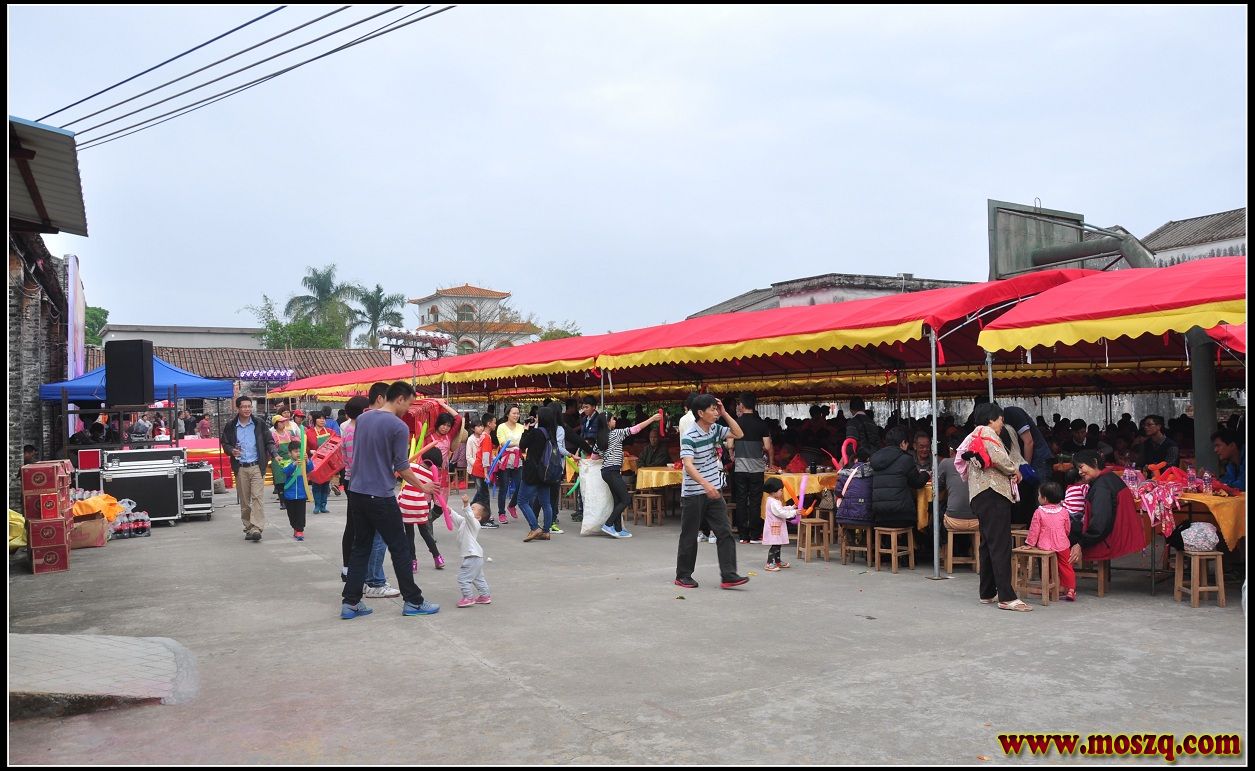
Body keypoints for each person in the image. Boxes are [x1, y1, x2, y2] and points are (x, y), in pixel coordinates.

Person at [341, 381, 439, 619]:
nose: (409, 410)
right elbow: (402, 466)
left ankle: (350, 602)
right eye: (409, 404)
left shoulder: (363, 419)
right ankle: (413, 601)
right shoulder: (398, 426)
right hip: (380, 496)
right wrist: (422, 486)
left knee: (360, 547)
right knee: (400, 547)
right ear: (399, 399)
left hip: (357, 492)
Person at [960, 401, 1031, 612]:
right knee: (1000, 544)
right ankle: (1007, 597)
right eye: (1000, 419)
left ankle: (987, 591)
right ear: (991, 419)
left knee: (988, 543)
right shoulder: (987, 432)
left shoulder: (973, 434)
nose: (1002, 424)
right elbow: (1000, 458)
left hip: (980, 495)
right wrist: (1014, 470)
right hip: (994, 493)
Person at [675, 395, 748, 590]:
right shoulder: (689, 436)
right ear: (700, 413)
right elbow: (688, 465)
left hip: (713, 491)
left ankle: (729, 575)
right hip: (693, 493)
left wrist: (725, 413)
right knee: (689, 535)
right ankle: (683, 575)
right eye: (713, 409)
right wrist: (705, 485)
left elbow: (739, 433)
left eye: (717, 409)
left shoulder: (715, 429)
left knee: (724, 531)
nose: (716, 413)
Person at [340, 387, 399, 598]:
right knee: (375, 536)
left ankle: (359, 581)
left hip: (355, 483)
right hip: (369, 486)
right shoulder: (362, 428)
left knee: (360, 533)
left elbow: (348, 459)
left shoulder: (352, 429)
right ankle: (373, 581)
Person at [1069, 449, 1143, 564]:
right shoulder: (1109, 477)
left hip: (1109, 540)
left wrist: (1080, 544)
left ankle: (1058, 571)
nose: (1079, 472)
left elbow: (1100, 524)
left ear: (1094, 462)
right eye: (1078, 469)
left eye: (1081, 467)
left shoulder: (1102, 487)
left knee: (1059, 530)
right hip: (1115, 535)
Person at [221, 395, 278, 542]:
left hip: (257, 466)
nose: (247, 409)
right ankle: (248, 527)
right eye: (244, 407)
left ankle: (257, 528)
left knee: (257, 497)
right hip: (240, 467)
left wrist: (274, 454)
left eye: (249, 406)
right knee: (245, 501)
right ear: (238, 408)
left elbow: (269, 441)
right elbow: (225, 443)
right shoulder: (231, 426)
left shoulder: (259, 423)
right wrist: (231, 450)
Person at [599, 411, 663, 538]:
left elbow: (595, 455)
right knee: (626, 499)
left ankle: (618, 529)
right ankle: (608, 524)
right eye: (613, 419)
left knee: (618, 500)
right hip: (612, 471)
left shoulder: (600, 438)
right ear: (607, 422)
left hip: (606, 471)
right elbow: (635, 429)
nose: (615, 421)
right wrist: (651, 419)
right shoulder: (616, 433)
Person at [517, 404, 562, 542]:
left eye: (537, 416)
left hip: (532, 472)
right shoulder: (551, 434)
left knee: (522, 501)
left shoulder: (536, 433)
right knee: (546, 503)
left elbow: (522, 445)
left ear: (541, 418)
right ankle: (546, 531)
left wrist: (526, 430)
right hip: (546, 473)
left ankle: (535, 527)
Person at [869, 427, 929, 529]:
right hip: (901, 515)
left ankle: (888, 539)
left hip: (879, 515)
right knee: (916, 518)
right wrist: (926, 474)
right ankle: (918, 539)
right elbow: (917, 483)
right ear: (903, 443)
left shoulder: (875, 459)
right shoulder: (905, 459)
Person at [732, 392, 772, 544]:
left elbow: (729, 444)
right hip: (757, 468)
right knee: (755, 500)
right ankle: (755, 534)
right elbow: (767, 446)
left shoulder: (735, 423)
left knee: (741, 500)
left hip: (740, 468)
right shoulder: (761, 424)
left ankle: (743, 535)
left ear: (742, 405)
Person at [1026, 481, 1076, 602]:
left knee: (1047, 566)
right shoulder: (1064, 511)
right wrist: (1063, 536)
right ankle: (1070, 589)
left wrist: (1030, 544)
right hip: (1062, 544)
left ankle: (1048, 586)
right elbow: (1067, 528)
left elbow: (1034, 530)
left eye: (1039, 495)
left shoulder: (1039, 512)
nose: (1038, 497)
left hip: (1045, 545)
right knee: (1066, 566)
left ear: (1045, 498)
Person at [398, 447, 444, 573]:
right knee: (425, 532)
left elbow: (400, 473)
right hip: (420, 506)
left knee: (409, 535)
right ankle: (438, 558)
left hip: (407, 504)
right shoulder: (432, 476)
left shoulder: (411, 466)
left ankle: (413, 562)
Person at [452, 493, 492, 608]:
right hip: (475, 556)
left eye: (473, 508)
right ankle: (485, 596)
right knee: (478, 578)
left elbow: (469, 515)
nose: (470, 508)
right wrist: (446, 509)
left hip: (472, 556)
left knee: (463, 578)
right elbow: (456, 517)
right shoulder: (465, 522)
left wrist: (466, 504)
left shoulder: (475, 523)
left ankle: (468, 597)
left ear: (478, 517)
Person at [937, 436, 977, 544]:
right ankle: (971, 548)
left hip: (953, 519)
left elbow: (937, 488)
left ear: (951, 450)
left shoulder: (946, 463)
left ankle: (943, 550)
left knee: (938, 513)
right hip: (977, 519)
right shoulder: (976, 463)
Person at [274, 440, 313, 541]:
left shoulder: (304, 462)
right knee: (291, 514)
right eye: (295, 451)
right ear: (289, 453)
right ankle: (295, 527)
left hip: (301, 494)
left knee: (301, 513)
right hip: (289, 495)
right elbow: (286, 471)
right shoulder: (287, 462)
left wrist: (307, 461)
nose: (298, 453)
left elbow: (310, 468)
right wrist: (294, 464)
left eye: (300, 451)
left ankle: (300, 530)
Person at [495, 404, 526, 522]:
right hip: (505, 460)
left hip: (518, 460)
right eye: (514, 413)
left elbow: (525, 442)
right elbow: (503, 443)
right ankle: (501, 513)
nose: (516, 415)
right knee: (503, 487)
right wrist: (518, 443)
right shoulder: (501, 427)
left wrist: (517, 444)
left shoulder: (522, 427)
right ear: (507, 414)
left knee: (520, 485)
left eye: (518, 413)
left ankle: (512, 505)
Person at [467, 416, 498, 528]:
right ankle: (484, 519)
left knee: (481, 493)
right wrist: (485, 472)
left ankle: (469, 513)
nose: (495, 425)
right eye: (494, 422)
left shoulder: (484, 436)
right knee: (484, 496)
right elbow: (485, 455)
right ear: (489, 423)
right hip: (480, 470)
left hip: (479, 469)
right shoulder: (486, 437)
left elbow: (485, 454)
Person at [760, 477, 794, 572]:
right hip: (774, 527)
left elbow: (781, 509)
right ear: (773, 491)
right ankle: (769, 563)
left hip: (776, 526)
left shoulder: (774, 501)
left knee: (778, 544)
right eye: (780, 490)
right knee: (775, 545)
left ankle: (777, 561)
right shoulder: (773, 502)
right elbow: (781, 513)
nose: (782, 492)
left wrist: (791, 508)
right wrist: (794, 512)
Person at [306, 414, 334, 513]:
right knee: (316, 484)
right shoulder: (309, 433)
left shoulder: (330, 432)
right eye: (320, 418)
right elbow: (305, 448)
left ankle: (323, 505)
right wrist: (310, 451)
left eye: (323, 418)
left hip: (327, 462)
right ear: (314, 420)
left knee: (326, 484)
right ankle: (317, 505)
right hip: (315, 462)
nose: (322, 420)